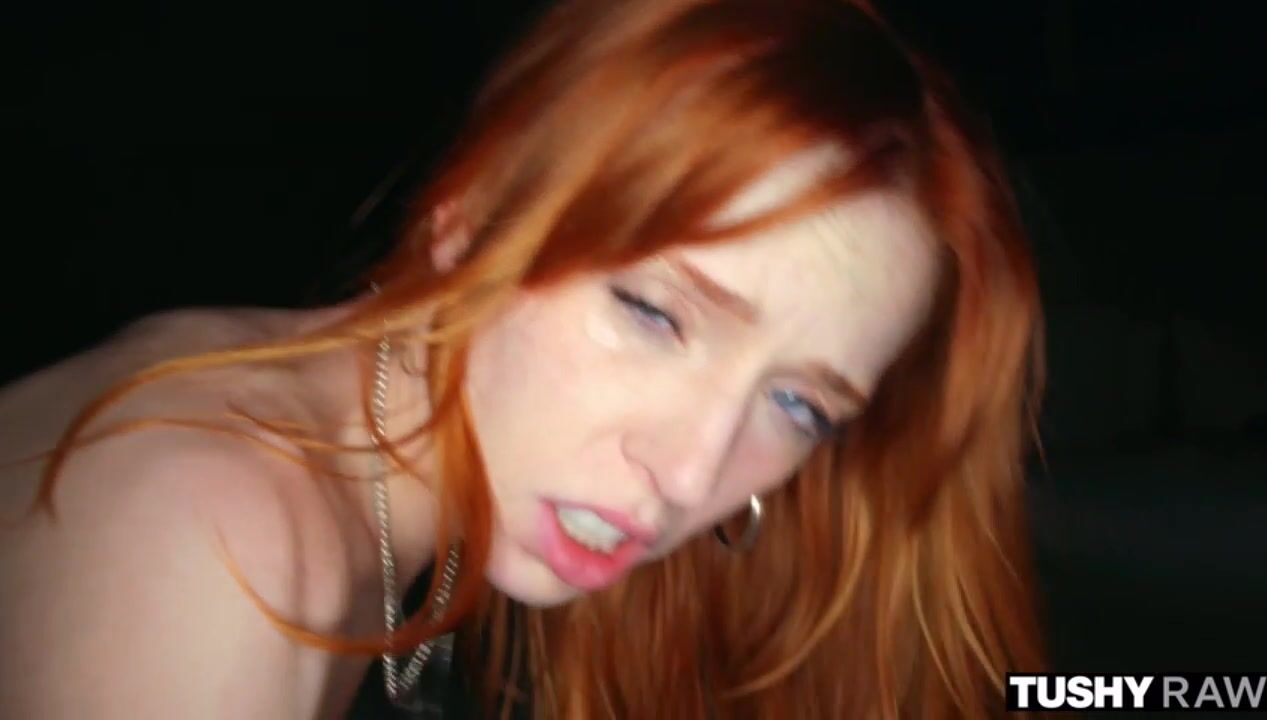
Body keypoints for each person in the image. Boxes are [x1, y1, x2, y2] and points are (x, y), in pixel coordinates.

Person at [0, 0, 1047, 717]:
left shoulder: (374, 473)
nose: (689, 476)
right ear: (470, 216)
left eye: (798, 405)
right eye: (652, 313)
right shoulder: (211, 540)